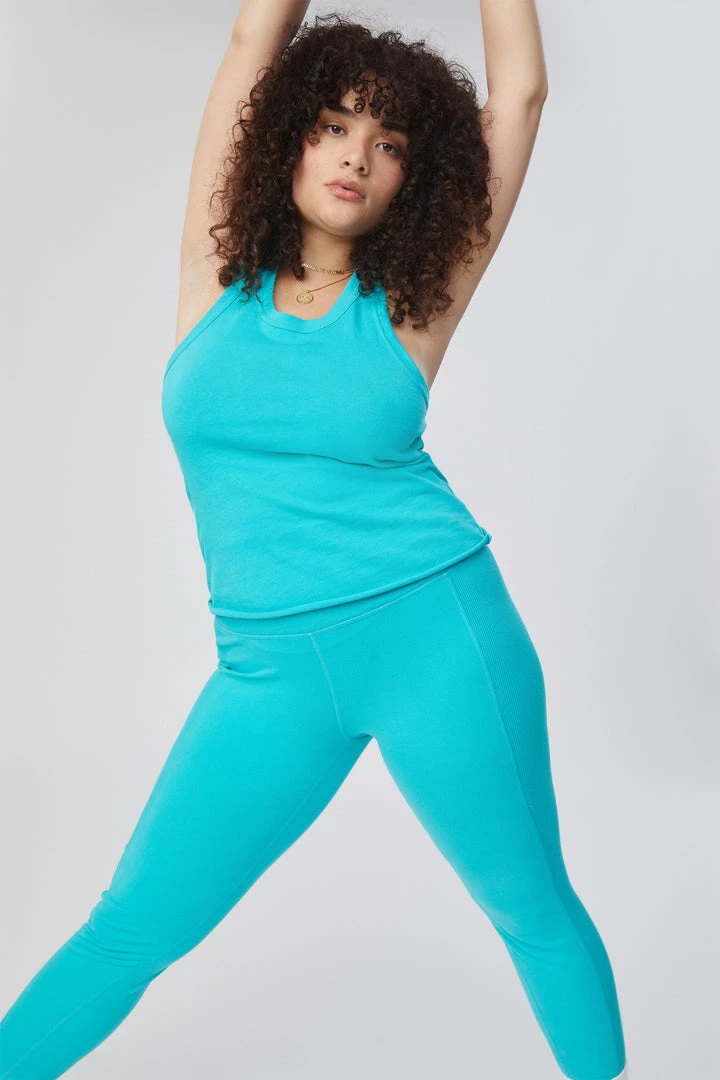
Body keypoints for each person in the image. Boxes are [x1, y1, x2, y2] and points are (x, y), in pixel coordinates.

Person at [0, 3, 629, 1078]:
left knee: (529, 907)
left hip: (441, 637)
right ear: (285, 136)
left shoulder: (414, 300)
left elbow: (519, 94)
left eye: (389, 143)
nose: (356, 157)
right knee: (132, 926)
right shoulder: (213, 273)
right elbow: (253, 39)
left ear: (413, 179)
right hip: (269, 671)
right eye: (335, 125)